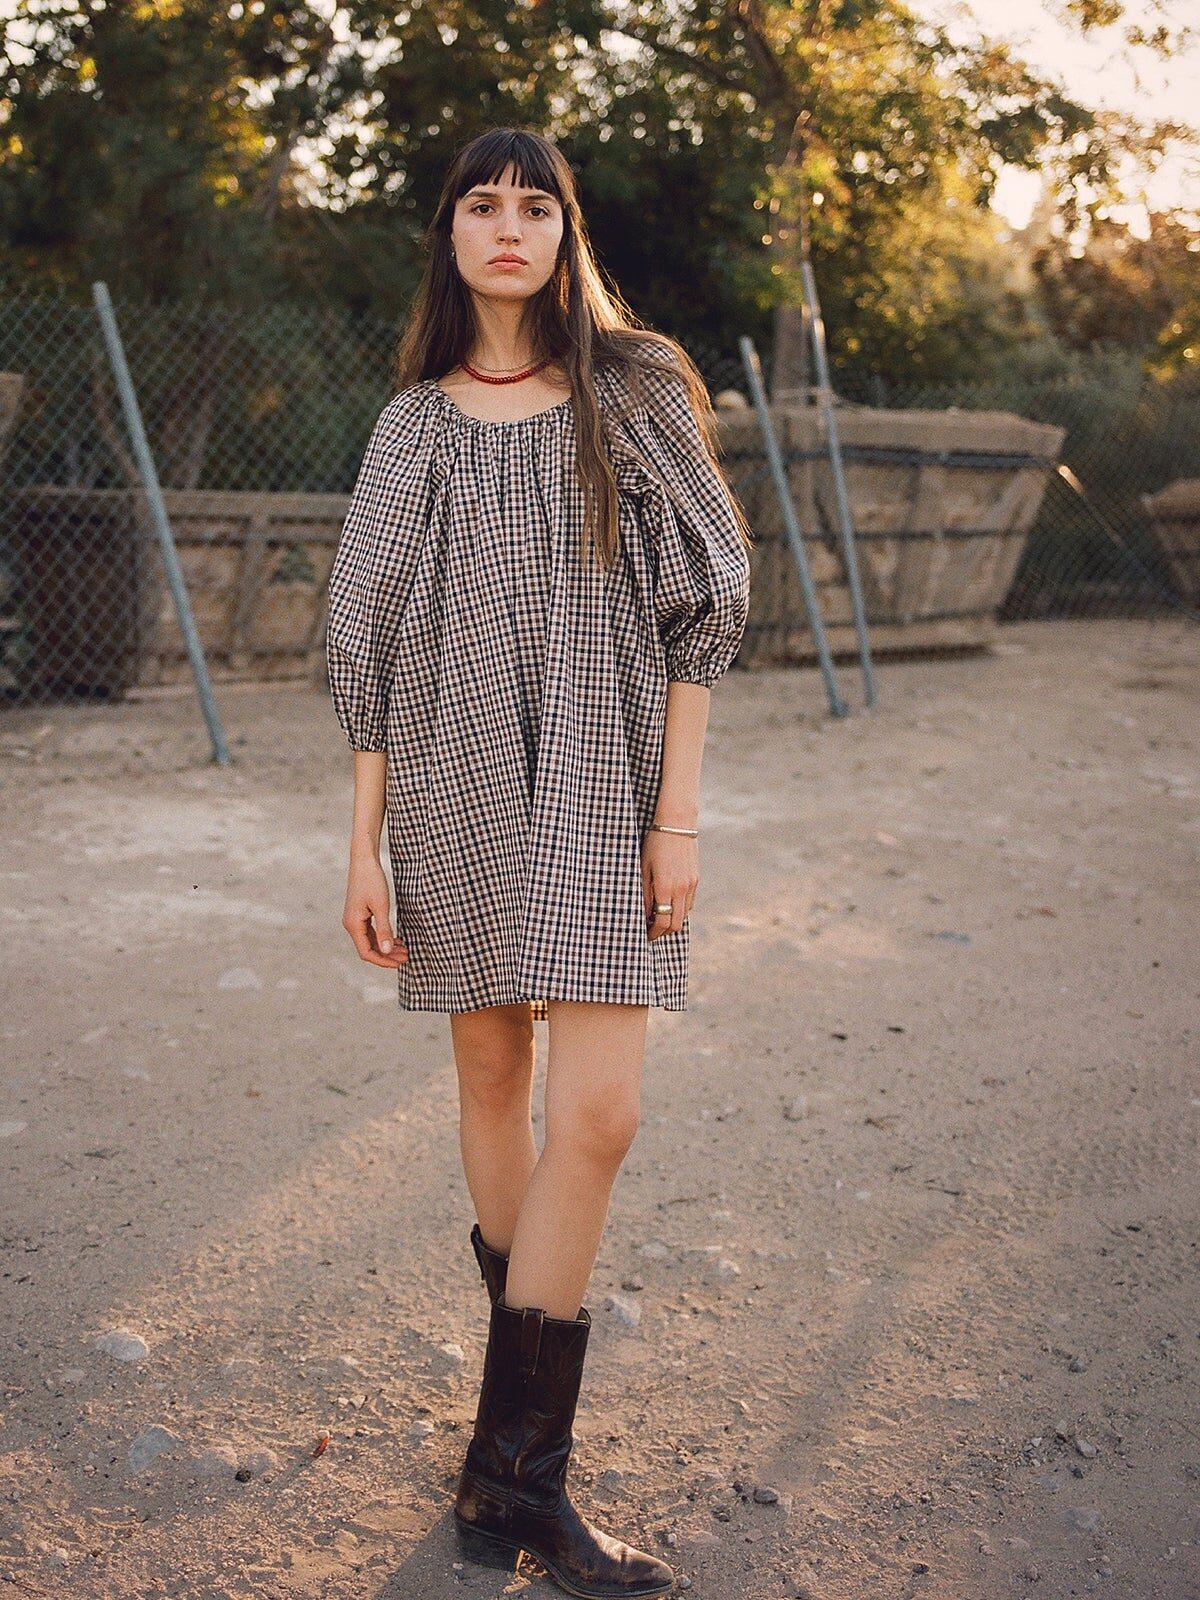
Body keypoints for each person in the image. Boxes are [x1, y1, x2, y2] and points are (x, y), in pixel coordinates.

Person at [326, 126, 753, 1599]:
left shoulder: (632, 395)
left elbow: (706, 613)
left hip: (606, 786)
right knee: (494, 1081)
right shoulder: (411, 432)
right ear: (448, 236)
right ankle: (517, 1470)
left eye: (536, 207)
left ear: (569, 233)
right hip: (449, 789)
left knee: (607, 1110)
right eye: (479, 206)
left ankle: (514, 1472)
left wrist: (676, 817)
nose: (508, 229)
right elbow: (364, 646)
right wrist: (364, 847)